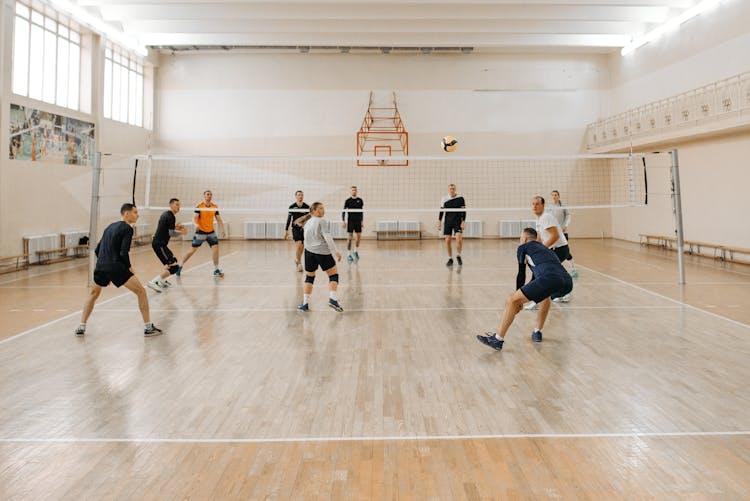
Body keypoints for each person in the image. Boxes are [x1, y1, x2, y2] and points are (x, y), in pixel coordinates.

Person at [476, 227, 572, 350]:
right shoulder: (545, 250)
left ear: (525, 238)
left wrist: (518, 299)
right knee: (544, 294)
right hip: (567, 282)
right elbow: (537, 279)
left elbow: (521, 273)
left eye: (521, 237)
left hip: (550, 278)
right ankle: (537, 330)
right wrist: (523, 297)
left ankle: (497, 339)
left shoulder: (523, 247)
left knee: (511, 300)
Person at [75, 203, 162, 337]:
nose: (137, 215)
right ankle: (148, 327)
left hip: (101, 266)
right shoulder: (127, 228)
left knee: (93, 294)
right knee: (141, 292)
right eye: (135, 212)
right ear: (126, 214)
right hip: (116, 266)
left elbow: (98, 250)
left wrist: (106, 270)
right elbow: (123, 252)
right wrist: (129, 267)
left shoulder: (109, 227)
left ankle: (81, 326)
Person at [296, 202, 344, 312]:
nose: (323, 210)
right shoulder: (322, 221)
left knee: (309, 277)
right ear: (315, 211)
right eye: (321, 208)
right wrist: (336, 252)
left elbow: (305, 239)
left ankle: (305, 304)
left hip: (309, 253)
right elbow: (328, 237)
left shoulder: (307, 222)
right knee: (333, 275)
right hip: (322, 252)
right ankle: (332, 299)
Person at [525, 195, 571, 309]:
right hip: (554, 249)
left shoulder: (546, 217)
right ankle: (561, 293)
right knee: (545, 273)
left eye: (537, 204)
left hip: (560, 249)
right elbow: (540, 237)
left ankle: (535, 300)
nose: (535, 206)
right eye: (533, 204)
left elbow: (554, 236)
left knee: (541, 274)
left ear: (543, 206)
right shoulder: (539, 219)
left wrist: (542, 249)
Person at [177, 190, 226, 278]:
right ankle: (180, 266)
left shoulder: (214, 207)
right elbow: (194, 218)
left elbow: (219, 219)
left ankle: (216, 269)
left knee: (216, 250)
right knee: (192, 251)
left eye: (211, 194)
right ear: (204, 196)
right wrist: (195, 224)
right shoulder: (199, 206)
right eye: (208, 194)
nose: (209, 196)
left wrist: (222, 229)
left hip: (211, 232)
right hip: (201, 232)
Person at [147, 198, 187, 292]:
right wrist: (182, 232)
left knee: (172, 261)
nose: (179, 207)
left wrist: (176, 227)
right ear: (171, 205)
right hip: (159, 245)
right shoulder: (170, 216)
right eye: (176, 204)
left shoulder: (168, 215)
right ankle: (154, 282)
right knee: (174, 267)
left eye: (179, 205)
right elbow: (171, 233)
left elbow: (167, 229)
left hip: (161, 244)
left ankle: (162, 281)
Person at [549, 190, 578, 279]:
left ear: (559, 196)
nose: (554, 196)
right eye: (553, 195)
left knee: (565, 252)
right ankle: (556, 270)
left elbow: (568, 216)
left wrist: (565, 225)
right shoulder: (549, 207)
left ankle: (574, 269)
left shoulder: (563, 206)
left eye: (556, 195)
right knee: (553, 252)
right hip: (553, 233)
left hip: (563, 233)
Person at [438, 183, 466, 268]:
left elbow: (464, 211)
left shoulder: (460, 198)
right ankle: (450, 258)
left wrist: (463, 221)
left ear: (455, 189)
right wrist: (439, 221)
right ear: (448, 189)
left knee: (459, 239)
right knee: (447, 241)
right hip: (448, 221)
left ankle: (458, 256)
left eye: (453, 188)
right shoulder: (444, 199)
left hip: (457, 221)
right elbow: (441, 211)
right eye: (450, 188)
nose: (452, 190)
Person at [284, 190, 309, 272]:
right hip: (295, 229)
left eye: (302, 195)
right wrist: (286, 230)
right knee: (298, 245)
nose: (300, 196)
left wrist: (303, 222)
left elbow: (309, 218)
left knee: (302, 247)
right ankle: (299, 263)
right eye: (299, 195)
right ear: (296, 196)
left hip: (304, 229)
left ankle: (297, 260)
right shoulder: (292, 206)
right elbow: (289, 219)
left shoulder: (306, 206)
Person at [342, 186, 364, 262]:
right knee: (350, 238)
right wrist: (343, 221)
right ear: (350, 192)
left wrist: (362, 221)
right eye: (352, 190)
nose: (354, 191)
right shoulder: (347, 201)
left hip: (358, 221)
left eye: (355, 190)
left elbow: (361, 212)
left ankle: (355, 251)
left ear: (356, 191)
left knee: (359, 237)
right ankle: (348, 254)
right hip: (351, 221)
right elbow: (343, 211)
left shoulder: (360, 200)